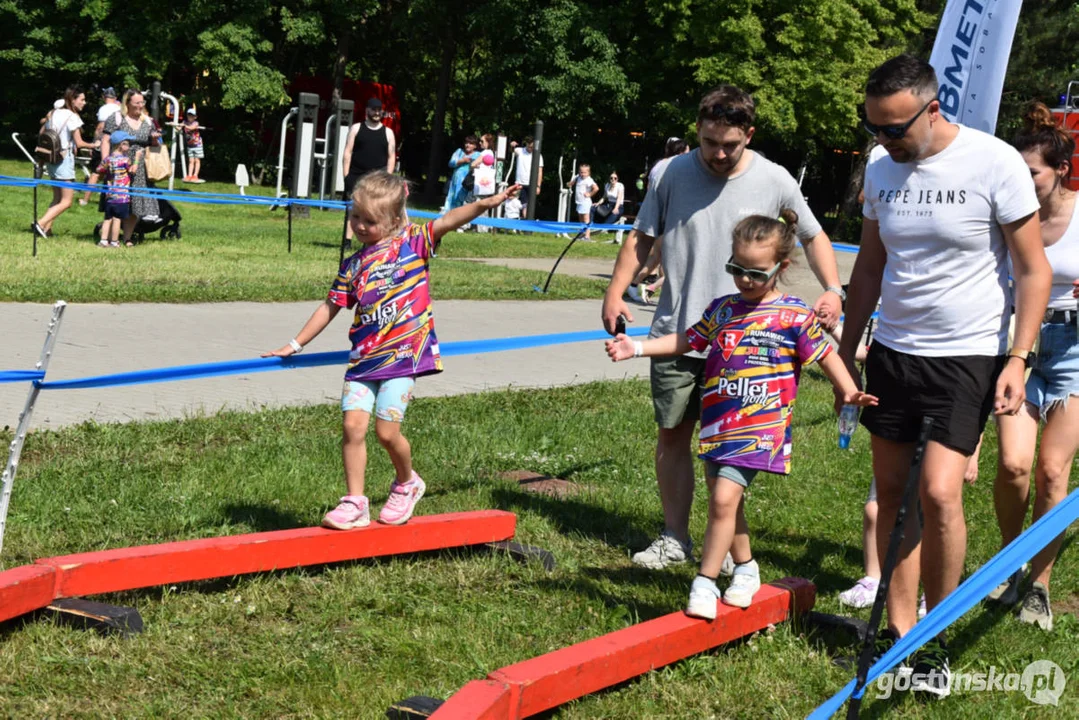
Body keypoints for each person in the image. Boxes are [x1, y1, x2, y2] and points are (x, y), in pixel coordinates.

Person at [837, 55, 1050, 696]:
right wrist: (845, 350)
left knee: (940, 493)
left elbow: (1033, 270)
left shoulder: (995, 163)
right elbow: (869, 269)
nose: (884, 140)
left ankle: (938, 633)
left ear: (932, 110)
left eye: (895, 128)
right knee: (895, 492)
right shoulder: (881, 169)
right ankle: (904, 637)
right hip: (895, 352)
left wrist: (1018, 356)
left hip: (967, 353)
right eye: (875, 127)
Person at [601, 84, 846, 575]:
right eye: (710, 141)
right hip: (680, 331)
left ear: (748, 135)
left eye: (729, 145)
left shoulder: (774, 179)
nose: (717, 153)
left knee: (728, 457)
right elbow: (642, 235)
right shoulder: (669, 173)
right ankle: (675, 537)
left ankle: (735, 554)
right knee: (673, 437)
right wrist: (614, 289)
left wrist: (834, 289)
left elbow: (813, 235)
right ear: (698, 129)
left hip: (746, 350)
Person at [606, 210, 876, 616]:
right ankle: (746, 568)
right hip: (719, 425)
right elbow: (687, 340)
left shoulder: (793, 316)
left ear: (781, 268)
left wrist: (850, 390)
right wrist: (638, 348)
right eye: (736, 269)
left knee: (722, 500)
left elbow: (826, 355)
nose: (745, 280)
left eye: (756, 273)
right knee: (728, 505)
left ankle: (705, 581)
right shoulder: (722, 309)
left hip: (760, 429)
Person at [263, 172, 521, 530]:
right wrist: (295, 344)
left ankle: (407, 482)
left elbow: (447, 220)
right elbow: (329, 306)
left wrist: (483, 204)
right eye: (355, 217)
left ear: (395, 220)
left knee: (386, 434)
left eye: (370, 221)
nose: (360, 226)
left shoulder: (414, 243)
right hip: (362, 362)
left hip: (403, 359)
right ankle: (355, 502)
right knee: (352, 428)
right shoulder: (353, 266)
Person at [988, 101, 1079, 632]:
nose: (1022, 182)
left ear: (1061, 171)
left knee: (1051, 473)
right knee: (1015, 466)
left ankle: (1039, 585)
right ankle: (1009, 562)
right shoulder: (1007, 215)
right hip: (1016, 349)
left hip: (1072, 351)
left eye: (1032, 174)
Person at [626, 138, 690, 305]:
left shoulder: (659, 165)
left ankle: (638, 285)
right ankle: (643, 286)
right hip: (669, 218)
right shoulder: (677, 167)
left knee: (659, 257)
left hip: (658, 216)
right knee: (668, 258)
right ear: (681, 152)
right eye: (687, 152)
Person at [32, 86, 99, 239]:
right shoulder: (72, 117)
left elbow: (42, 134)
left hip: (51, 158)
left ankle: (47, 230)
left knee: (57, 198)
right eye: (81, 99)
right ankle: (40, 223)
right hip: (63, 160)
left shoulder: (53, 113)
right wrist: (94, 145)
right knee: (67, 201)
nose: (84, 102)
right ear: (72, 100)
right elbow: (80, 143)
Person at [101, 89, 162, 244]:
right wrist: (105, 162)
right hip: (118, 167)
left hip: (140, 168)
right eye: (137, 103)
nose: (140, 106)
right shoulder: (116, 118)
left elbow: (152, 144)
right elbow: (106, 140)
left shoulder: (147, 121)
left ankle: (127, 237)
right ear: (127, 103)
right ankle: (108, 238)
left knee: (136, 203)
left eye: (143, 102)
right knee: (116, 202)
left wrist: (155, 139)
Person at [341, 98, 397, 244]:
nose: (377, 112)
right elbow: (347, 153)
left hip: (377, 179)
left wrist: (387, 178)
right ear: (367, 110)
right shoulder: (356, 128)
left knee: (375, 211)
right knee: (354, 210)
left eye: (379, 110)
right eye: (374, 109)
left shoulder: (388, 133)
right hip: (356, 176)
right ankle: (347, 242)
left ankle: (375, 242)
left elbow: (392, 157)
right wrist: (346, 176)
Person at [95, 131, 144, 248]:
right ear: (121, 145)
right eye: (127, 143)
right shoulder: (125, 160)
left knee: (107, 218)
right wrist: (137, 158)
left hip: (110, 195)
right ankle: (114, 241)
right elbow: (133, 170)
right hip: (121, 196)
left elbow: (99, 170)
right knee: (117, 219)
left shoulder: (108, 159)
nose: (129, 146)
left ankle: (103, 240)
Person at [81, 87, 122, 206]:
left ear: (104, 97)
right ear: (115, 98)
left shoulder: (104, 109)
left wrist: (94, 144)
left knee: (96, 172)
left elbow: (100, 128)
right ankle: (113, 199)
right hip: (116, 144)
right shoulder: (120, 109)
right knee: (114, 172)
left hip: (104, 143)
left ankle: (85, 200)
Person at [511, 136, 544, 218]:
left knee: (527, 206)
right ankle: (521, 224)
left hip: (531, 184)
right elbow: (511, 151)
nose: (531, 149)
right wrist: (511, 146)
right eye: (530, 147)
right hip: (520, 183)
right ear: (526, 144)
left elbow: (540, 172)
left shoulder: (538, 155)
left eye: (533, 147)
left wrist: (538, 186)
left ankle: (526, 225)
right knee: (517, 204)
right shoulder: (520, 151)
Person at [446, 135, 479, 212]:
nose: (468, 145)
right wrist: (462, 160)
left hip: (467, 183)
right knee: (453, 201)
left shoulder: (477, 155)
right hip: (455, 183)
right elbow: (450, 163)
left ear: (475, 146)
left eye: (470, 143)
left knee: (463, 203)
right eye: (466, 143)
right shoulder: (459, 152)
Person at [567, 163, 599, 239]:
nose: (583, 174)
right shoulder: (578, 177)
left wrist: (590, 194)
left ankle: (587, 236)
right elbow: (571, 183)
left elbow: (596, 188)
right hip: (579, 201)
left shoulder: (589, 180)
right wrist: (569, 184)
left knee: (586, 219)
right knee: (581, 218)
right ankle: (582, 234)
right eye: (581, 172)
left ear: (588, 173)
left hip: (585, 201)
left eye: (585, 172)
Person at [183, 108, 206, 183]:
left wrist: (184, 125)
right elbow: (179, 128)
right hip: (190, 145)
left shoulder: (196, 123)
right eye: (189, 115)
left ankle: (195, 175)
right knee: (190, 161)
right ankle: (189, 175)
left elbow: (191, 128)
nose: (190, 117)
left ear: (195, 117)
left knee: (197, 160)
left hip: (197, 144)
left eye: (191, 115)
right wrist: (174, 125)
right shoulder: (185, 122)